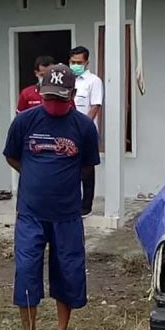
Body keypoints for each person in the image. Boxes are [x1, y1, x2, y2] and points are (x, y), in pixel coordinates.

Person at [3, 64, 100, 330]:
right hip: (30, 213)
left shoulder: (84, 127)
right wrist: (35, 177)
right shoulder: (25, 122)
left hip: (67, 215)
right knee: (26, 272)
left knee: (68, 273)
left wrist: (62, 183)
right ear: (41, 93)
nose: (54, 103)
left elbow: (87, 167)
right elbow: (12, 157)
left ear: (72, 94)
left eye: (60, 98)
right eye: (49, 97)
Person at [68, 46, 103, 217]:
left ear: (87, 62)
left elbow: (95, 106)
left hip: (86, 132)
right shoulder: (66, 80)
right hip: (68, 131)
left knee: (87, 169)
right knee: (69, 168)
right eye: (73, 62)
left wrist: (83, 127)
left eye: (79, 62)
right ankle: (71, 202)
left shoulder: (93, 81)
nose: (75, 65)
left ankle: (86, 205)